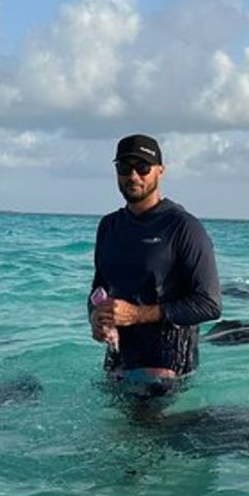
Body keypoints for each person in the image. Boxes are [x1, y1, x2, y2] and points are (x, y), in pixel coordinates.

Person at [88, 134, 221, 390]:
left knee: (147, 431)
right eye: (124, 168)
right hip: (118, 366)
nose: (133, 176)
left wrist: (137, 314)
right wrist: (96, 317)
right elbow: (98, 289)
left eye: (143, 167)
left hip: (166, 371)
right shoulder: (108, 226)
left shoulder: (184, 227)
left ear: (160, 171)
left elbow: (210, 304)